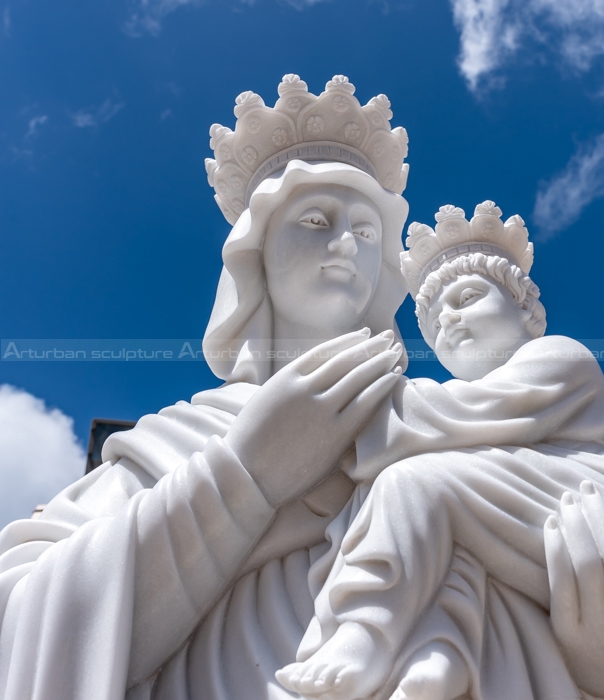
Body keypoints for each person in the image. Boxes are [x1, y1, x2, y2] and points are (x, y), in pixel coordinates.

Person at [0, 76, 414, 700]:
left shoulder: (433, 427)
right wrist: (245, 474)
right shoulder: (173, 443)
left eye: (365, 232)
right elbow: (20, 617)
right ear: (258, 255)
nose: (345, 247)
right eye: (315, 218)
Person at [277, 202, 604, 700]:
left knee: (412, 484)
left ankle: (364, 633)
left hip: (584, 504)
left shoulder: (558, 357)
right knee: (432, 528)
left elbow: (455, 414)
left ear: (527, 308)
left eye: (467, 297)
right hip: (503, 509)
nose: (448, 321)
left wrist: (343, 414)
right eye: (433, 324)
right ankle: (436, 658)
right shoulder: (463, 463)